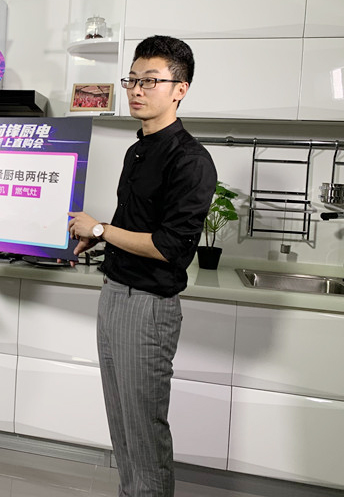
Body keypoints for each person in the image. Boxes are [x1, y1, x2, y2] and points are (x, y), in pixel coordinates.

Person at [68, 36, 216, 497]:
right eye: (132, 79)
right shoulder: (137, 150)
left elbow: (170, 247)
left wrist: (100, 229)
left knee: (144, 430)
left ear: (180, 89)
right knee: (122, 422)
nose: (136, 89)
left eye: (150, 81)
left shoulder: (191, 160)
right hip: (114, 293)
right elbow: (134, 227)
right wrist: (97, 240)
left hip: (148, 306)